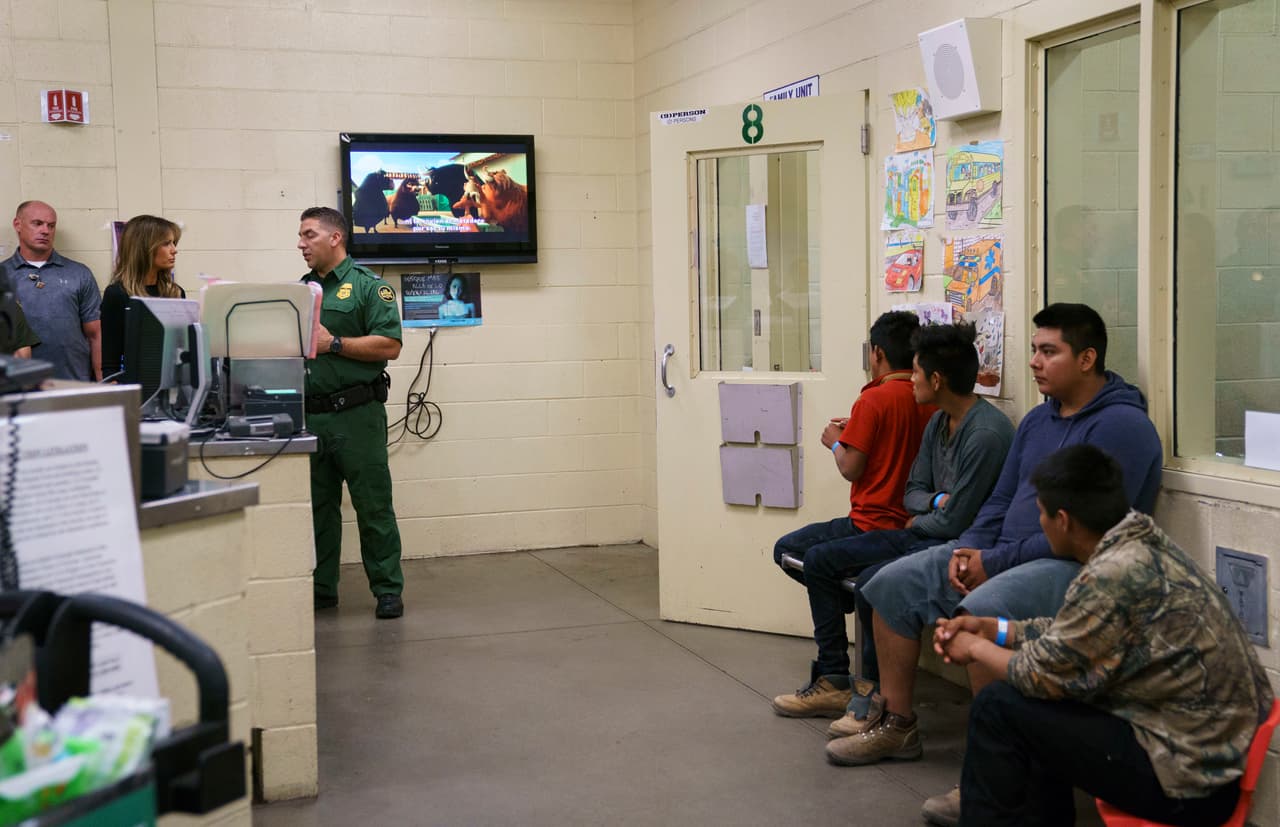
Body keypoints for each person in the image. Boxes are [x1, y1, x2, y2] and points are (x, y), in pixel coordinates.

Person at [827, 304, 1162, 796]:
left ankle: (997, 775)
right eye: (1033, 350)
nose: (1035, 362)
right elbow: (1001, 499)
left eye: (1049, 351)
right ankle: (898, 726)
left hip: (1077, 568)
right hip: (998, 553)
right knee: (887, 584)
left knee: (983, 608)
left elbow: (1087, 533)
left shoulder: (1121, 427)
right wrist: (969, 550)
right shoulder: (1037, 421)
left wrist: (991, 563)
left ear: (1088, 358)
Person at [934, 444, 1271, 827]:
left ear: (1063, 520)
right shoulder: (1140, 542)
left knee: (998, 706)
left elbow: (1039, 673)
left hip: (1188, 784)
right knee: (1039, 712)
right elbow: (1073, 638)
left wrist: (973, 647)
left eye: (1041, 514)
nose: (1039, 523)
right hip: (1203, 759)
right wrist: (994, 630)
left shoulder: (1114, 573)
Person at [770, 323, 1014, 740]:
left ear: (936, 380)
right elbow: (912, 492)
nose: (911, 379)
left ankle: (865, 694)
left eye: (917, 373)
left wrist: (922, 514)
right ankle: (840, 682)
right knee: (826, 562)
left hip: (950, 542)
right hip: (922, 529)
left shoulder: (987, 434)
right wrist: (935, 503)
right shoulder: (938, 421)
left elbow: (956, 523)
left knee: (862, 579)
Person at [298, 206, 405, 620]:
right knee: (317, 509)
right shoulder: (300, 291)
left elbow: (390, 346)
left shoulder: (368, 288)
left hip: (357, 415)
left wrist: (335, 344)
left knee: (373, 506)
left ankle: (387, 590)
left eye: (309, 235)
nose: (301, 243)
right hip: (312, 416)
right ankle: (323, 589)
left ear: (334, 238)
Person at [4, 201, 102, 380]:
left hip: (74, 384)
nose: (45, 230)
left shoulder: (79, 273)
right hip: (19, 389)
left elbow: (96, 334)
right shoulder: (4, 276)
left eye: (51, 225)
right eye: (37, 223)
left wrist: (102, 381)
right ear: (17, 224)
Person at [100, 215, 185, 379]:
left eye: (174, 243)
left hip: (171, 387)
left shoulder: (175, 293)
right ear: (145, 248)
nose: (174, 250)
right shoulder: (117, 294)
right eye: (167, 243)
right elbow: (110, 363)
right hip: (134, 388)